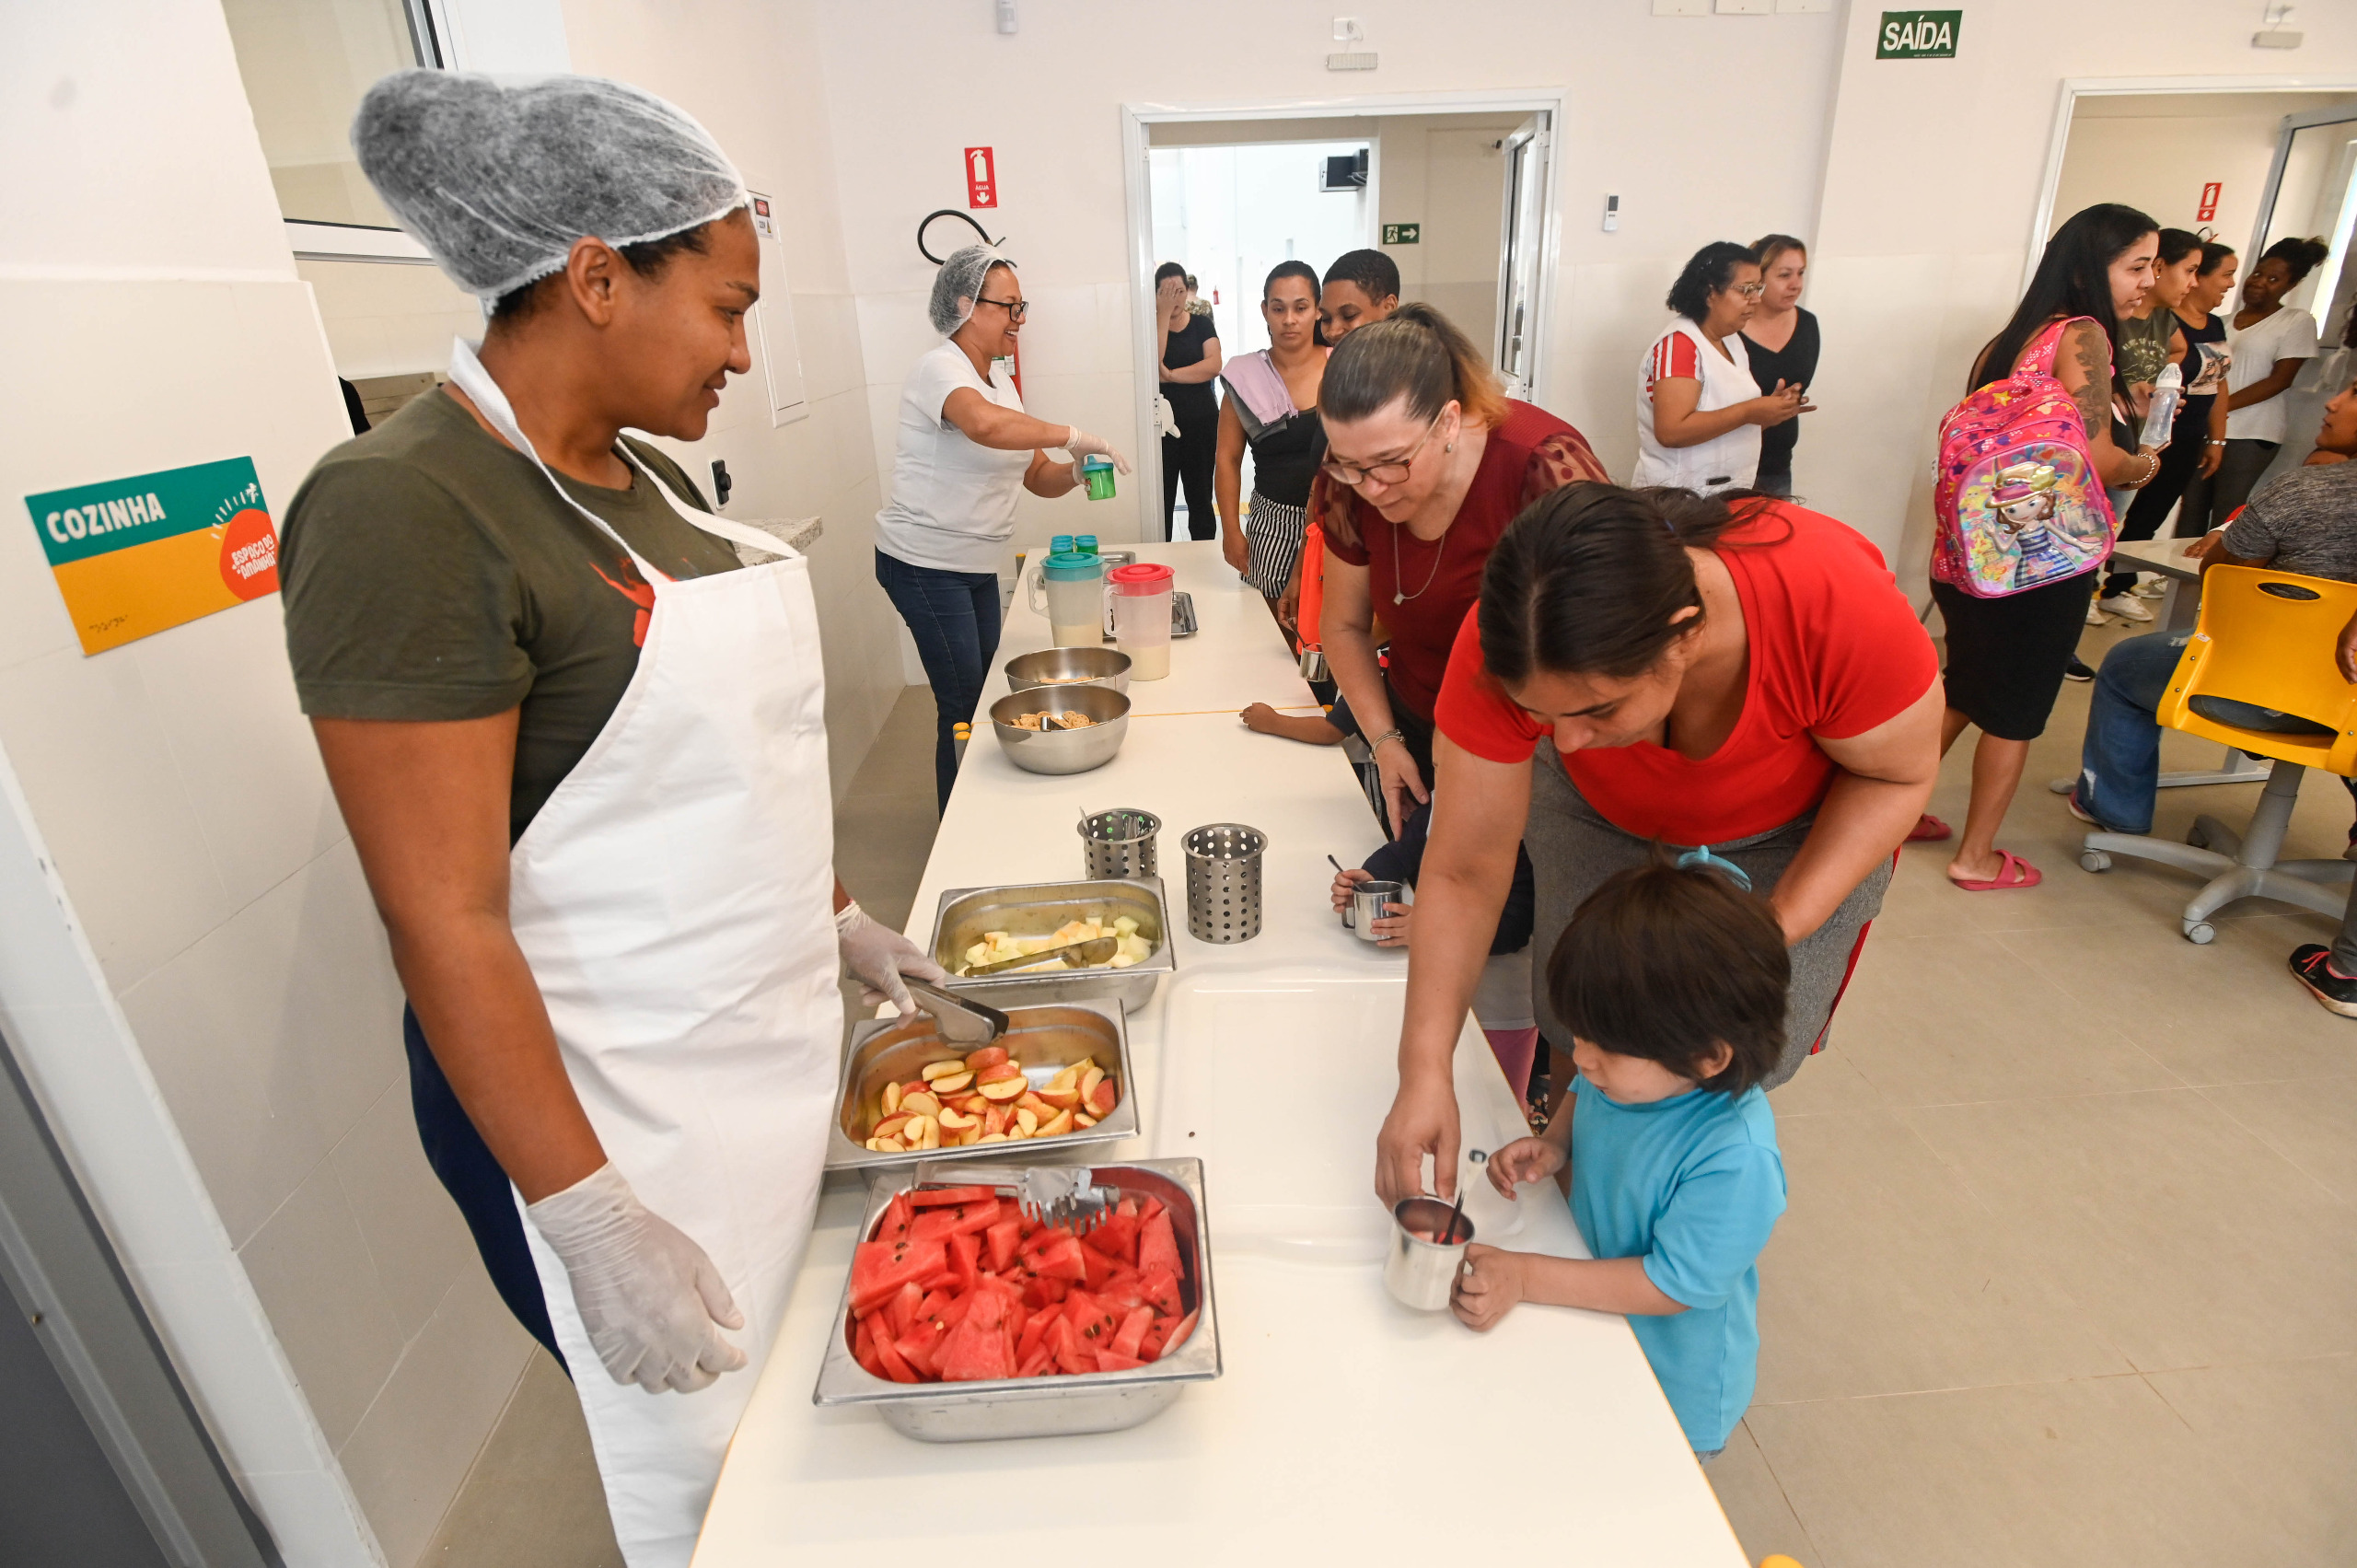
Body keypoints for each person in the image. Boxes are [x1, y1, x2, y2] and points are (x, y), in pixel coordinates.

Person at [281, 72, 949, 1567]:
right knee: (714, 1472)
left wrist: (834, 914)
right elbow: (441, 913)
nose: (742, 348)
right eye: (724, 305)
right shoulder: (404, 507)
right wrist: (589, 1215)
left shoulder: (636, 478)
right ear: (597, 278)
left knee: (799, 1427)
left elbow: (721, 766)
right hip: (607, 1114)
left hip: (748, 1059)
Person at [1372, 481, 1941, 1207]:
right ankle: (1579, 1209)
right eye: (1538, 716)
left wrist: (1765, 928)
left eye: (1598, 708)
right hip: (1598, 818)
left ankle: (1685, 1226)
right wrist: (1424, 1071)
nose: (1566, 742)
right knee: (1586, 1017)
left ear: (1686, 632)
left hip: (1795, 831)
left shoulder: (1830, 605)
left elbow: (1897, 776)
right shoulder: (1515, 639)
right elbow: (1463, 869)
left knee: (1701, 1055)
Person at [1452, 858, 1788, 1459]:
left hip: (1671, 1386)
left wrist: (1524, 1275)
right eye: (1581, 1033)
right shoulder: (1629, 1078)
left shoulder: (1736, 1158)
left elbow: (1670, 1282)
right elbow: (1585, 1095)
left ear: (1708, 1057)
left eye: (1607, 1045)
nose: (1582, 1058)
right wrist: (1556, 1143)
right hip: (1595, 1315)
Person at [1926, 203, 2165, 890]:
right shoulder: (2083, 335)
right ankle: (1976, 857)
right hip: (2042, 558)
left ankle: (1896, 806)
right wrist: (2145, 460)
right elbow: (2096, 458)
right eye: (2136, 265)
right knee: (2018, 709)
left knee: (1966, 688)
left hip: (1971, 554)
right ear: (2094, 265)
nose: (2146, 282)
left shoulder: (2004, 342)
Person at [1311, 304, 1608, 835]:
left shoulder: (1542, 467)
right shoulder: (1351, 480)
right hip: (1413, 723)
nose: (1371, 487)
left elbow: (1595, 648)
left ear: (1448, 420)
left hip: (1538, 740)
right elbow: (1344, 625)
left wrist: (1475, 732)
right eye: (1350, 465)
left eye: (1392, 462)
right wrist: (1384, 741)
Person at [877, 245, 1130, 808]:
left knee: (993, 691)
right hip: (923, 564)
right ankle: (955, 829)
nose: (1021, 320)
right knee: (963, 703)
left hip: (970, 565)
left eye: (1023, 307)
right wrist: (1072, 432)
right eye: (1010, 307)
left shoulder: (1000, 380)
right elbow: (984, 427)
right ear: (967, 305)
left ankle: (981, 810)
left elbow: (1035, 473)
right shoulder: (938, 369)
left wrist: (1076, 472)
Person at [2073, 375, 2357, 839]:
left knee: (2125, 664)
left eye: (2353, 393)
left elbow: (2221, 576)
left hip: (2251, 690)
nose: (2332, 401)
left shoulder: (2303, 490)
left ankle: (2116, 810)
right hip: (2348, 709)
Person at [1328, 803, 1541, 1100]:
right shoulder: (1443, 805)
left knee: (1497, 1108)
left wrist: (1432, 931)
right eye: (1439, 768)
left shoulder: (1523, 829)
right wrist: (1368, 877)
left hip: (1499, 1014)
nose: (1442, 784)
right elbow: (1401, 852)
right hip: (1440, 1004)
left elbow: (1515, 926)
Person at [2093, 229, 2209, 622]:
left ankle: (2097, 593)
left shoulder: (2163, 319)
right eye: (2190, 270)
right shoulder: (2104, 322)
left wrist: (2158, 382)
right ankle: (2084, 594)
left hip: (2136, 436)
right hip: (2106, 438)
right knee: (2090, 520)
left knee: (2113, 519)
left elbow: (2180, 350)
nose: (2194, 282)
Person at [1632, 241, 1809, 495]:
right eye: (1746, 290)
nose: (1756, 300)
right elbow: (1671, 431)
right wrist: (1749, 411)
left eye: (1758, 288)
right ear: (1711, 293)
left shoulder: (1732, 340)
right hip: (1678, 498)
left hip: (1725, 492)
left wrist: (1770, 412)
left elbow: (1723, 424)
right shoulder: (1680, 345)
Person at [2181, 236, 2329, 532]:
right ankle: (2174, 579)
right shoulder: (2219, 321)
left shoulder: (2295, 321)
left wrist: (2219, 410)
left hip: (2251, 432)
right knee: (2190, 509)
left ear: (2292, 285)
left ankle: (2213, 577)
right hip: (2208, 429)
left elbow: (2279, 380)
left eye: (2274, 279)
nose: (2260, 282)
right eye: (2258, 273)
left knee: (2226, 512)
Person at [1215, 261, 1327, 614]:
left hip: (1334, 521)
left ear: (1318, 310)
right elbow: (1227, 459)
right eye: (1278, 308)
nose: (1289, 319)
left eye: (1301, 307)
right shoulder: (1245, 376)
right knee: (1272, 638)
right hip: (1271, 524)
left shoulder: (1344, 367)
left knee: (1332, 631)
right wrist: (1231, 531)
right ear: (1265, 311)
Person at [1738, 234, 1819, 497]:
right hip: (1726, 464)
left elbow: (1797, 387)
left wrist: (1787, 403)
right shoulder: (1731, 328)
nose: (1796, 285)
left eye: (1801, 273)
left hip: (1777, 465)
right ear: (1758, 278)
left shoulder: (1807, 324)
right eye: (1785, 275)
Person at [1156, 260, 1223, 540]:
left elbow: (1213, 365)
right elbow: (1152, 365)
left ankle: (1205, 557)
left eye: (1180, 291)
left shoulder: (1202, 325)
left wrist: (1170, 375)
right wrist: (1162, 314)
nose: (1176, 298)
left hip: (1202, 424)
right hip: (1162, 430)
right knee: (1163, 501)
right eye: (1167, 292)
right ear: (1156, 294)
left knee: (1200, 498)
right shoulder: (1151, 328)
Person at [1318, 247, 1400, 344]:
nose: (1332, 332)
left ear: (1389, 307)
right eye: (1326, 318)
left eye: (1349, 315)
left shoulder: (1415, 357)